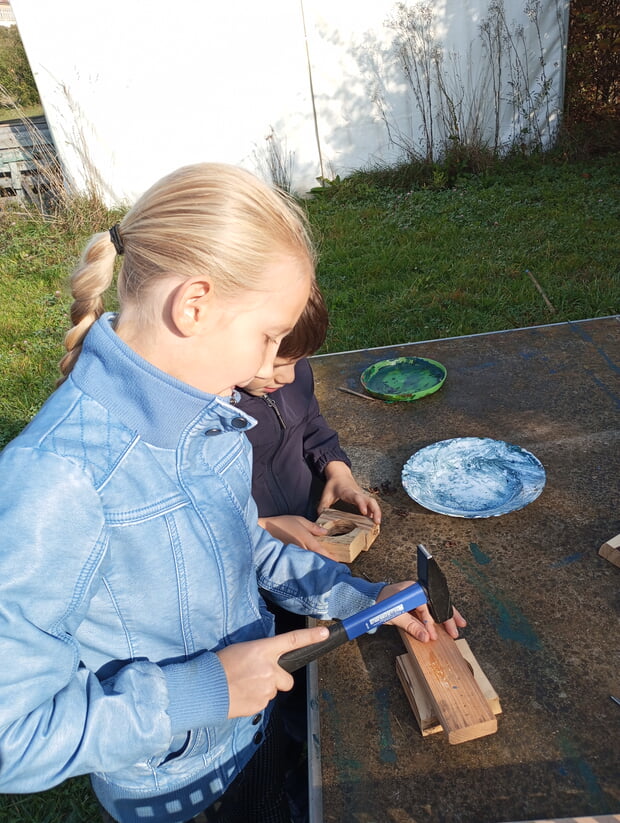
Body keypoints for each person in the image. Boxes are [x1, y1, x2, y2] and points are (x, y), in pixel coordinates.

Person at [0, 162, 465, 823]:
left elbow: (252, 549)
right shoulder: (57, 483)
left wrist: (365, 599)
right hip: (178, 797)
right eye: (269, 336)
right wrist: (206, 690)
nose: (266, 365)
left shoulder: (212, 421)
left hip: (256, 737)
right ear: (194, 305)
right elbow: (11, 734)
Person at [237, 279, 381, 558]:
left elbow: (310, 423)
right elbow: (203, 516)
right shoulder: (213, 414)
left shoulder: (286, 376)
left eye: (298, 361)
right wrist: (263, 527)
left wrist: (339, 473)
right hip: (257, 550)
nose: (288, 377)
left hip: (308, 516)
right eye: (279, 364)